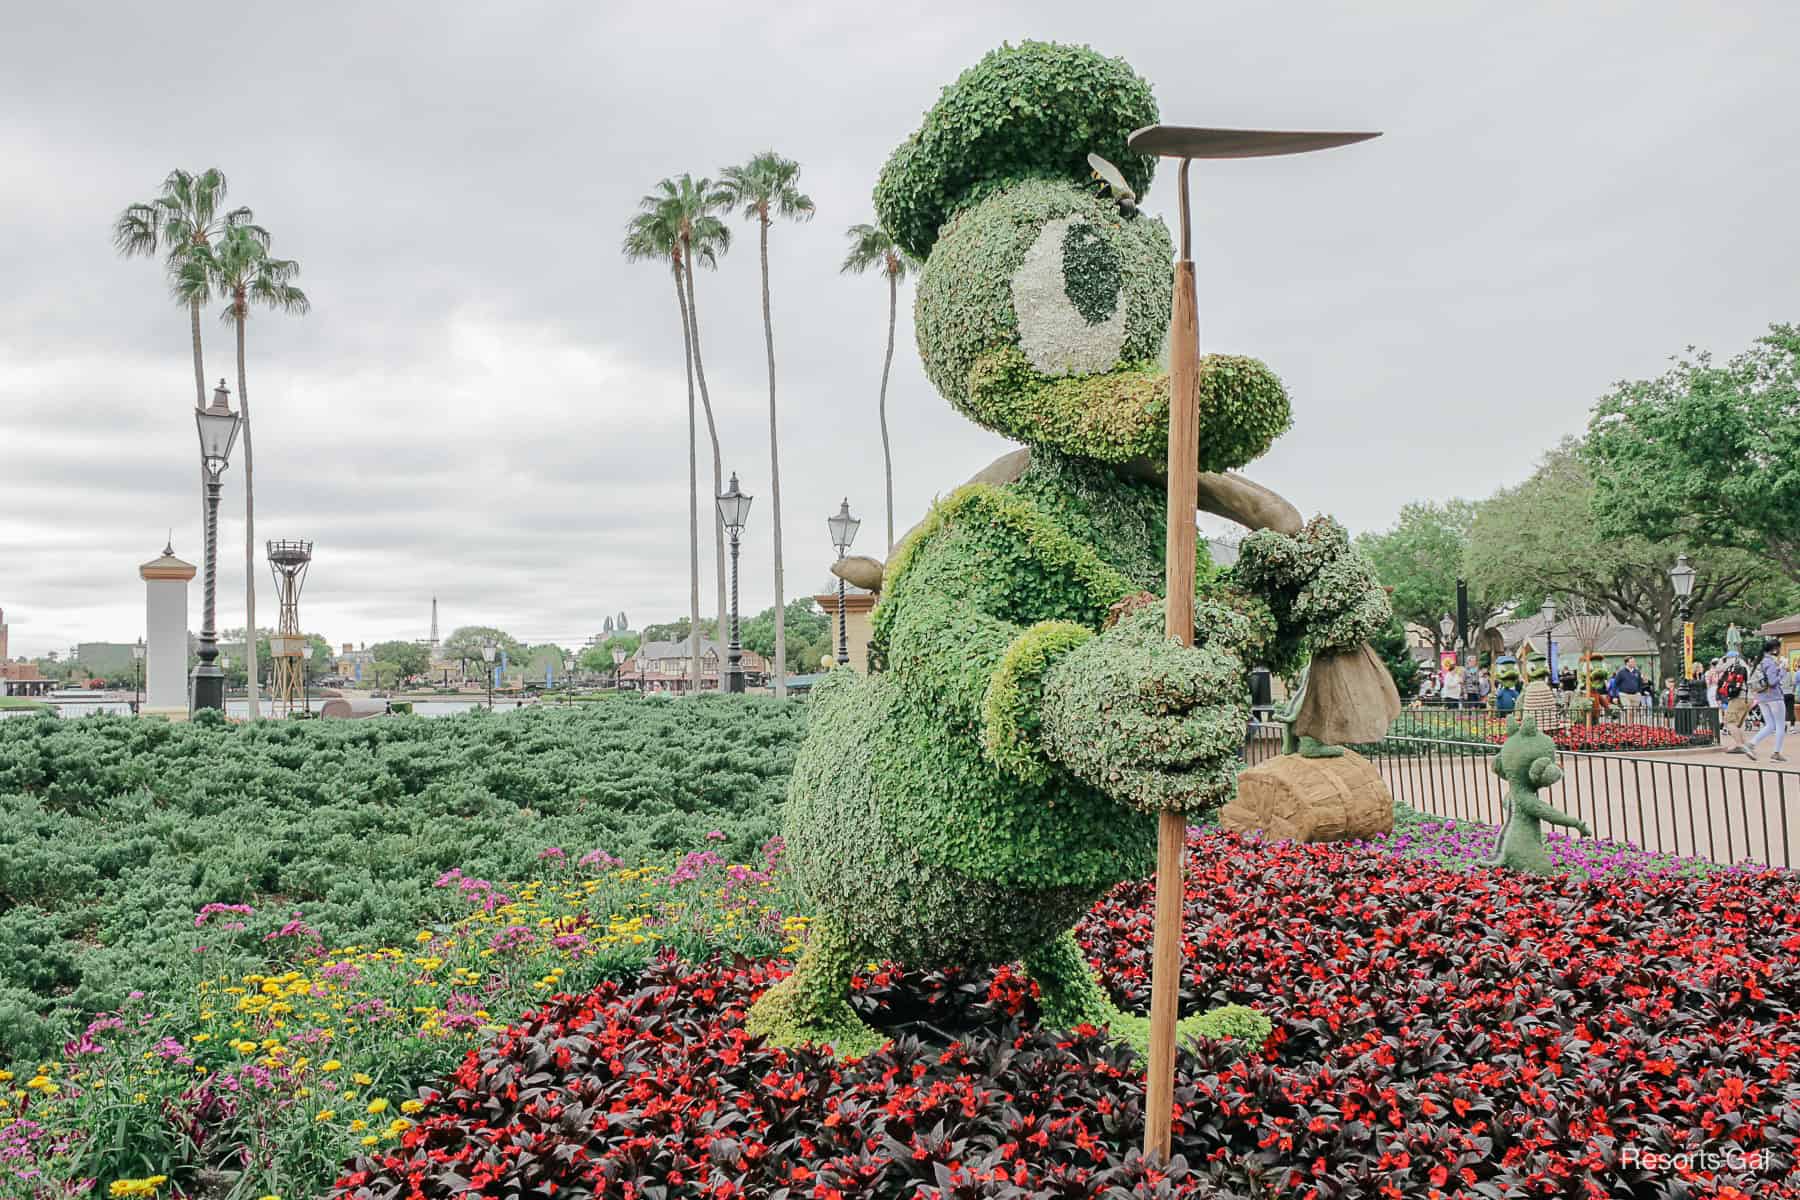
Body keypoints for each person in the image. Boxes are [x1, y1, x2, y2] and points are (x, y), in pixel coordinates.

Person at [1740, 639, 1788, 762]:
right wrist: (1783, 670)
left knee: (1770, 725)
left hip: (1761, 697)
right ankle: (1776, 753)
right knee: (1780, 725)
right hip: (1774, 697)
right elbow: (1772, 682)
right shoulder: (1770, 662)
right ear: (1775, 649)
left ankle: (1750, 744)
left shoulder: (1759, 661)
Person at [1719, 653, 1752, 753]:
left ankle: (1739, 745)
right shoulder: (1747, 667)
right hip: (1748, 698)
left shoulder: (1736, 666)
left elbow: (1718, 668)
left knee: (1729, 722)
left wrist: (1721, 660)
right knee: (1737, 725)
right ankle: (1744, 745)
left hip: (1738, 698)